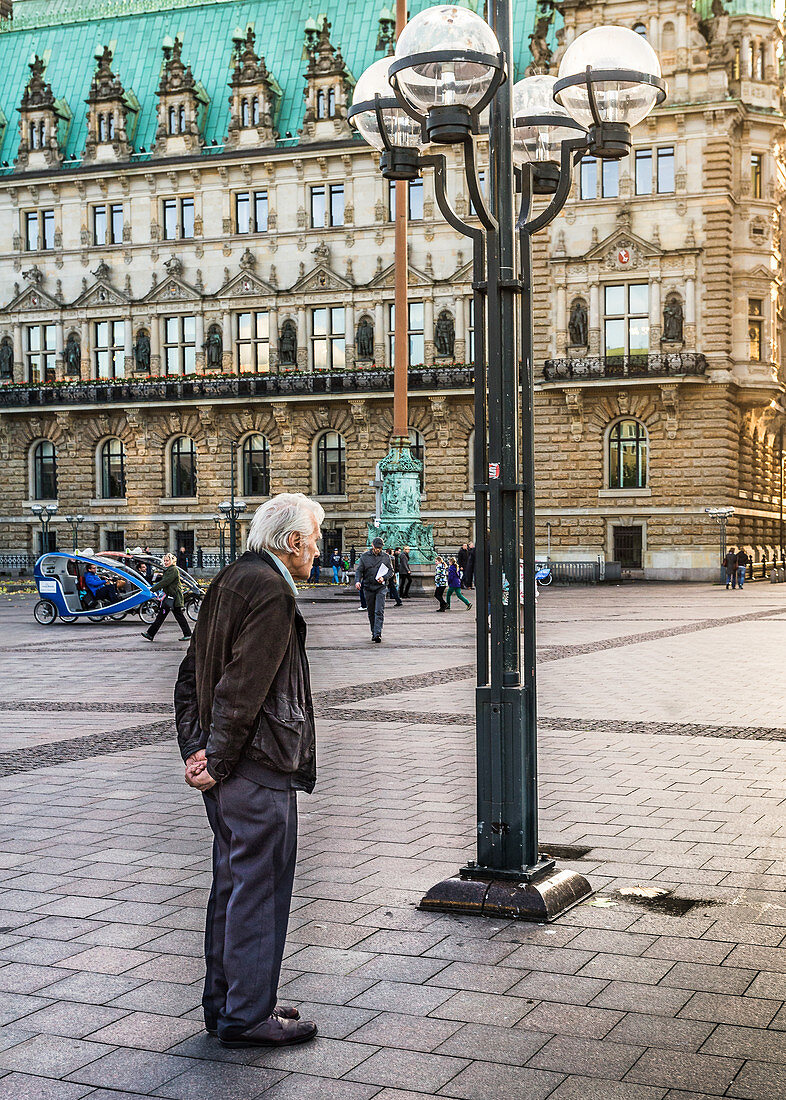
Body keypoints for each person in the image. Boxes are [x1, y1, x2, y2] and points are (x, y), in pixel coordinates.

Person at [174, 493, 323, 1050]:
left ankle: (231, 1002)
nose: (318, 547)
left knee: (233, 888)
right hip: (257, 770)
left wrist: (197, 750)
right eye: (314, 538)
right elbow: (243, 689)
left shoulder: (231, 578)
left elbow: (189, 676)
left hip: (228, 770)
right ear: (292, 542)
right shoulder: (274, 592)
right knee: (259, 890)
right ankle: (247, 1017)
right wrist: (217, 758)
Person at [141, 553, 192, 641]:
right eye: (164, 560)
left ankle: (187, 634)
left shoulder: (173, 569)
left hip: (173, 597)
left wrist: (153, 589)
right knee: (163, 615)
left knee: (176, 616)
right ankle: (150, 634)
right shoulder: (169, 569)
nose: (165, 562)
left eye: (167, 560)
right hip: (170, 597)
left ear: (172, 561)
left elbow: (166, 581)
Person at [355, 537, 395, 641]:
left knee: (379, 610)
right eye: (377, 548)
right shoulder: (364, 557)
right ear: (372, 545)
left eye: (380, 548)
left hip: (380, 587)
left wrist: (384, 577)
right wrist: (358, 581)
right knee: (371, 611)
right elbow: (359, 570)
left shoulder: (386, 557)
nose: (378, 550)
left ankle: (378, 633)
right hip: (368, 587)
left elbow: (391, 571)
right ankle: (373, 631)